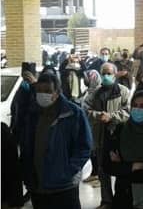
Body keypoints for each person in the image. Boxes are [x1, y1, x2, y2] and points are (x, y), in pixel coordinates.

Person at [19, 72, 92, 209]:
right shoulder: (32, 114)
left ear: (57, 92)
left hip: (64, 187)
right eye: (39, 91)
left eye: (47, 91)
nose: (42, 95)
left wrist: (68, 172)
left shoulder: (73, 114)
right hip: (37, 186)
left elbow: (84, 147)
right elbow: (25, 144)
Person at [104, 89, 143, 209]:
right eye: (135, 105)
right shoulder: (120, 130)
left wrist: (123, 168)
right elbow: (107, 165)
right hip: (123, 196)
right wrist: (134, 166)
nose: (138, 109)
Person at [83, 63, 131, 208]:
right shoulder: (95, 92)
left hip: (118, 137)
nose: (106, 76)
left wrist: (111, 116)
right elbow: (85, 109)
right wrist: (99, 116)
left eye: (109, 73)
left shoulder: (123, 91)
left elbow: (128, 111)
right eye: (103, 73)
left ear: (115, 74)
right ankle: (106, 201)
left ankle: (121, 199)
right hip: (100, 137)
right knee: (103, 171)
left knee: (121, 169)